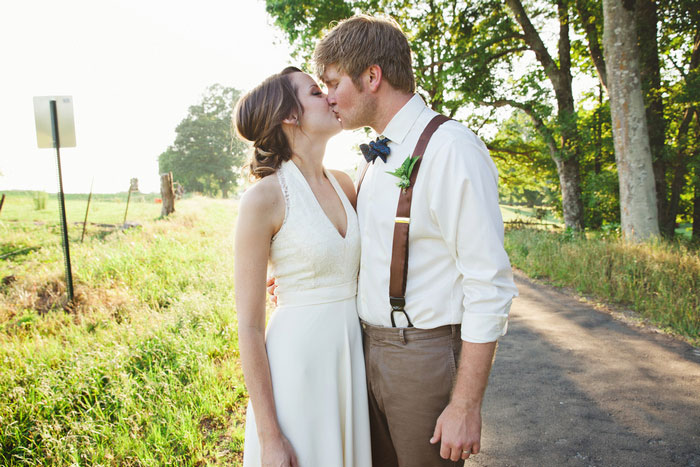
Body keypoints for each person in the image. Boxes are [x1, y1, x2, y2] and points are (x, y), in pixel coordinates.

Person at [279, 15, 518, 466]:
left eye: (332, 83)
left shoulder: (451, 148)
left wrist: (465, 404)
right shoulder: (375, 156)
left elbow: (490, 283)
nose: (327, 97)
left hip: (421, 358)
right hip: (361, 353)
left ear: (372, 77)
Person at [233, 66, 372, 467]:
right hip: (299, 366)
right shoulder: (264, 199)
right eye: (315, 92)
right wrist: (269, 435)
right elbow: (250, 327)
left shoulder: (346, 184)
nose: (330, 97)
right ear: (289, 116)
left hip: (351, 358)